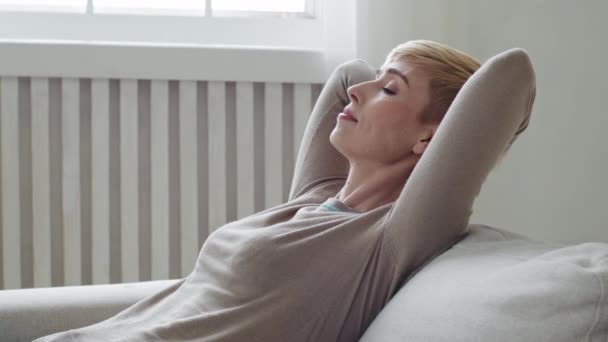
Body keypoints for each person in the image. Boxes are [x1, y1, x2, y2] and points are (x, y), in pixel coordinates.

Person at [35, 40, 535, 342]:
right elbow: (348, 76)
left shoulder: (390, 238)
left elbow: (511, 76)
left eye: (389, 90)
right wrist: (393, 76)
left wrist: (433, 91)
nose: (360, 92)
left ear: (434, 137)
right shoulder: (314, 200)